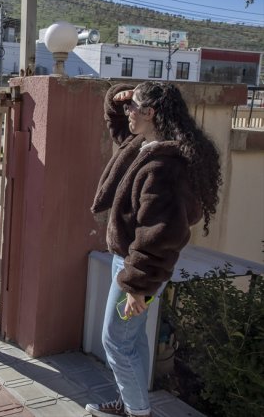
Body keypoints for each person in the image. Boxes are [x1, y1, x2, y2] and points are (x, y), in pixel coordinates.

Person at [86, 82, 221, 417]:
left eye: (134, 106)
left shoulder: (164, 167)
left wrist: (137, 287)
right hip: (132, 266)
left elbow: (160, 235)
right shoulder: (145, 146)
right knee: (134, 340)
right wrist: (120, 95)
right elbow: (119, 127)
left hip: (137, 271)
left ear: (151, 113)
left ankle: (137, 411)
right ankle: (131, 402)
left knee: (115, 340)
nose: (128, 111)